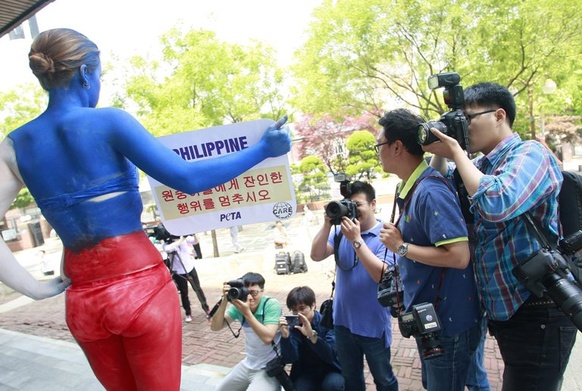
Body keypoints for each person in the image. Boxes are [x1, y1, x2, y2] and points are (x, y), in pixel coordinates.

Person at [1, 28, 291, 391]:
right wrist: (262, 150)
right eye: (100, 74)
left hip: (82, 300)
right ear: (86, 73)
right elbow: (185, 178)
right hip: (141, 284)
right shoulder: (109, 121)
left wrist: (33, 288)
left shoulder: (14, 145)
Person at [424, 82, 576, 390]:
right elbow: (437, 184)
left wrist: (455, 149)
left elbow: (496, 203)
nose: (463, 129)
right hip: (507, 313)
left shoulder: (531, 154)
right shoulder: (479, 165)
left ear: (499, 115)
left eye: (467, 119)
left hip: (539, 307)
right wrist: (441, 149)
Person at [376, 108, 482, 391]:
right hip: (433, 319)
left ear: (397, 147)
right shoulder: (414, 186)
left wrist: (401, 247)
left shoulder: (429, 191)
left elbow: (459, 256)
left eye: (379, 145)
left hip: (449, 321)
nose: (378, 152)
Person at [310, 181, 398, 391]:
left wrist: (357, 240)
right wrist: (327, 224)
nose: (352, 210)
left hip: (373, 325)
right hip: (343, 323)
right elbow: (316, 255)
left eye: (357, 204)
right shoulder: (341, 233)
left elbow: (381, 275)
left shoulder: (387, 234)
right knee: (351, 379)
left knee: (384, 379)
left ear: (373, 204)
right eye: (348, 204)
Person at [210, 272, 282, 390]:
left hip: (267, 368)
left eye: (254, 293)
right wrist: (225, 300)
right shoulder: (239, 306)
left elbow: (268, 338)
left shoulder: (271, 305)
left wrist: (247, 313)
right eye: (246, 292)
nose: (250, 297)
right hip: (248, 364)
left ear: (262, 291)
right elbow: (215, 327)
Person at [278, 286, 344, 391]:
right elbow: (290, 358)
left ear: (313, 305)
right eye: (294, 310)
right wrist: (285, 337)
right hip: (306, 372)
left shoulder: (327, 322)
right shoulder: (294, 327)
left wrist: (312, 336)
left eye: (302, 308)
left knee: (333, 385)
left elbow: (330, 356)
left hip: (330, 369)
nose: (298, 314)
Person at [162, 234, 210, 321]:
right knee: (184, 293)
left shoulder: (185, 238)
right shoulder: (167, 244)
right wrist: (181, 239)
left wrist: (194, 234)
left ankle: (206, 308)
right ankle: (188, 313)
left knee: (198, 289)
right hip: (179, 272)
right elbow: (168, 249)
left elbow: (196, 241)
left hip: (190, 269)